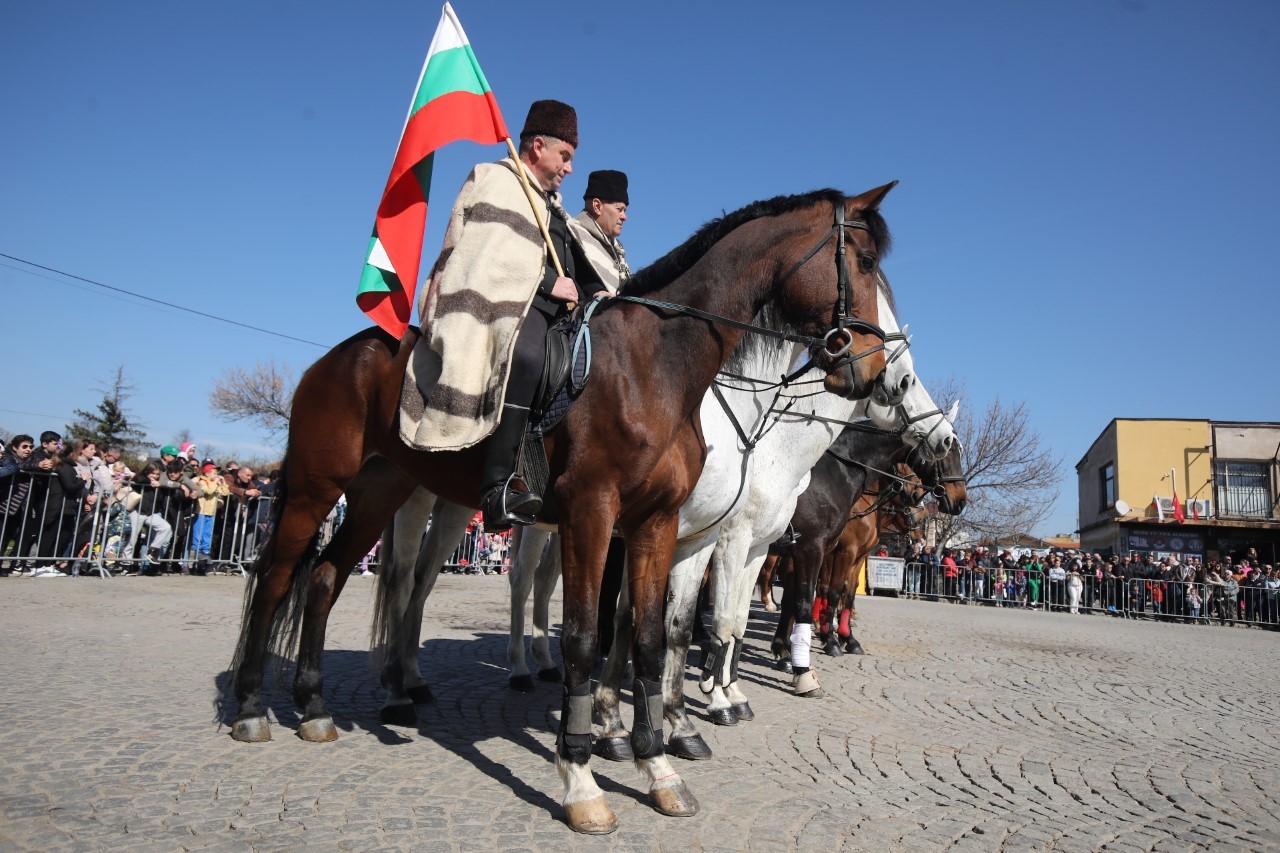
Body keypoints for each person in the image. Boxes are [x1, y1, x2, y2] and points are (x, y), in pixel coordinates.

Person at [400, 100, 609, 531]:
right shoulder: (498, 180)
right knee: (528, 357)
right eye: (565, 157)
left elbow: (578, 266)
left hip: (557, 315)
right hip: (510, 304)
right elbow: (484, 256)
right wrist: (548, 284)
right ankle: (497, 488)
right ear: (537, 146)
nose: (569, 168)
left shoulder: (553, 208)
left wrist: (600, 293)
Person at [573, 170, 631, 292]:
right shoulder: (572, 235)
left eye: (624, 211)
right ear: (597, 206)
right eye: (619, 209)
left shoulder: (618, 250)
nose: (624, 217)